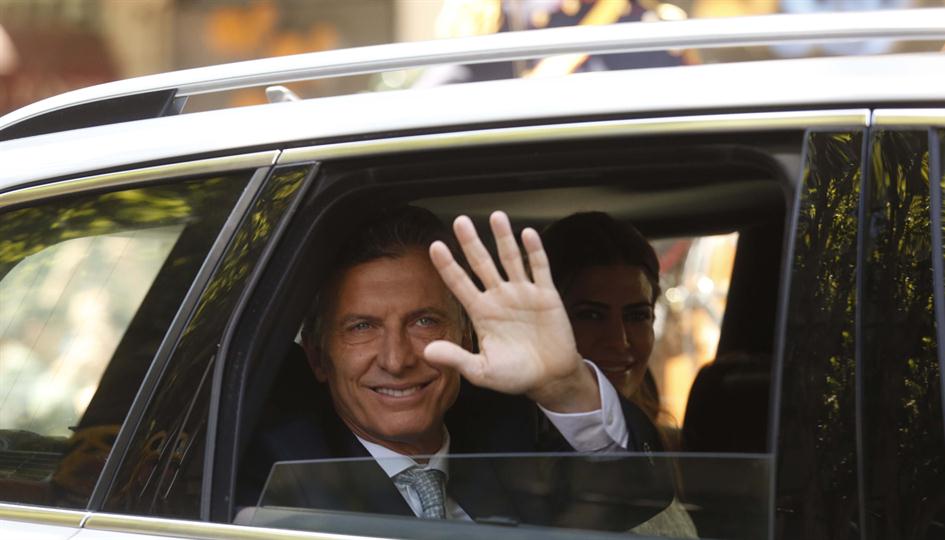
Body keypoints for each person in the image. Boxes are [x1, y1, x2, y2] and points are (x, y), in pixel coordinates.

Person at [238, 206, 672, 529]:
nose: (397, 359)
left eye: (425, 321)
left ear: (467, 335)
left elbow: (639, 493)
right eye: (362, 327)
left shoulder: (511, 434)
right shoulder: (280, 476)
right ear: (318, 356)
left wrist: (566, 385)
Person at [542, 212, 698, 538]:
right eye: (591, 315)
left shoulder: (655, 442)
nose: (619, 340)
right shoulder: (518, 451)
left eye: (637, 315)